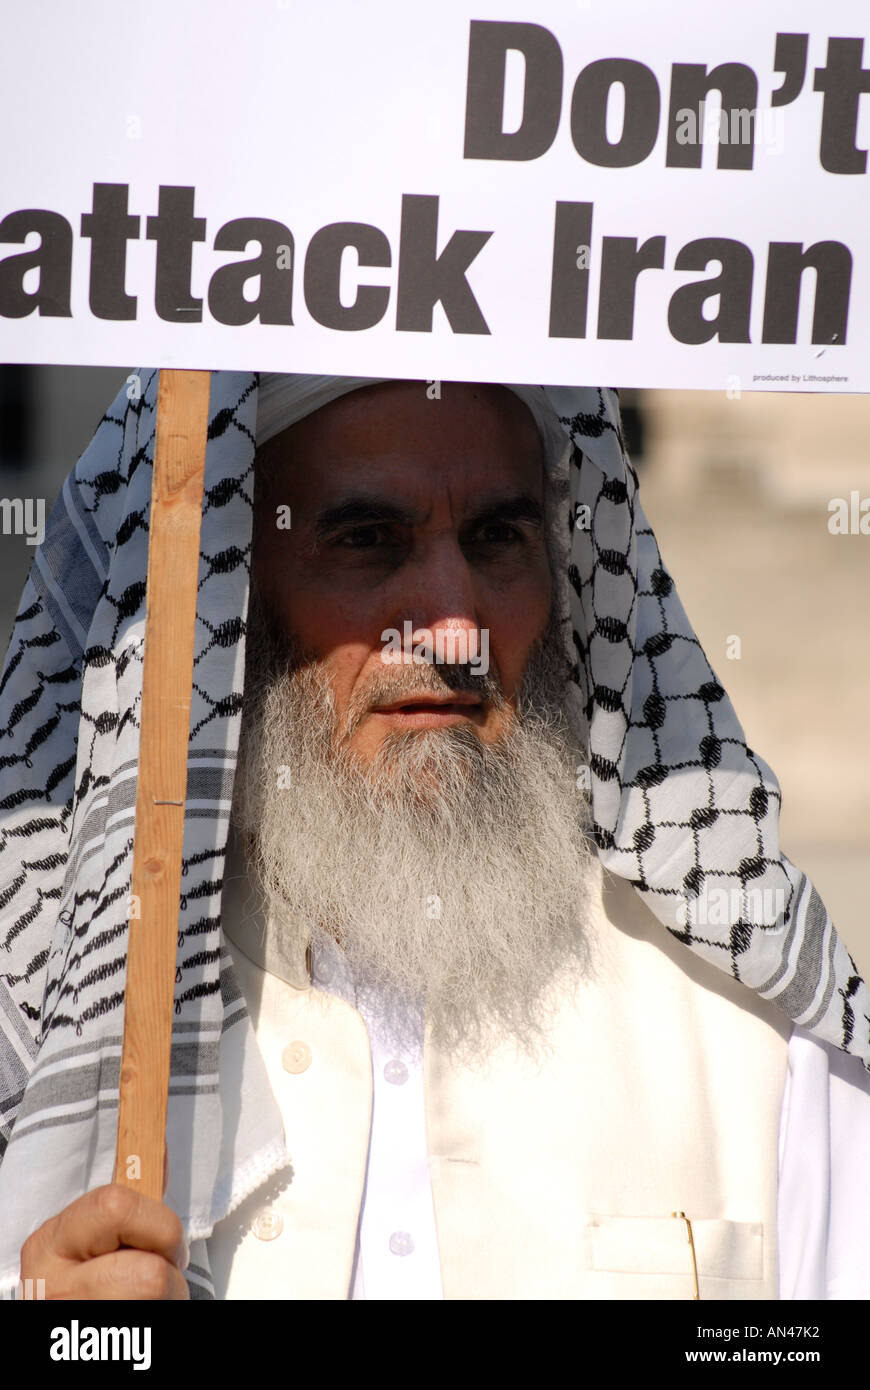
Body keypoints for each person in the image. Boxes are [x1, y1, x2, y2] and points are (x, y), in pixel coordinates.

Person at [2, 372, 869, 1301]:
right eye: (368, 540)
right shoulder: (76, 1036)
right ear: (228, 601)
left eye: (499, 537)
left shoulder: (753, 1041)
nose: (455, 627)